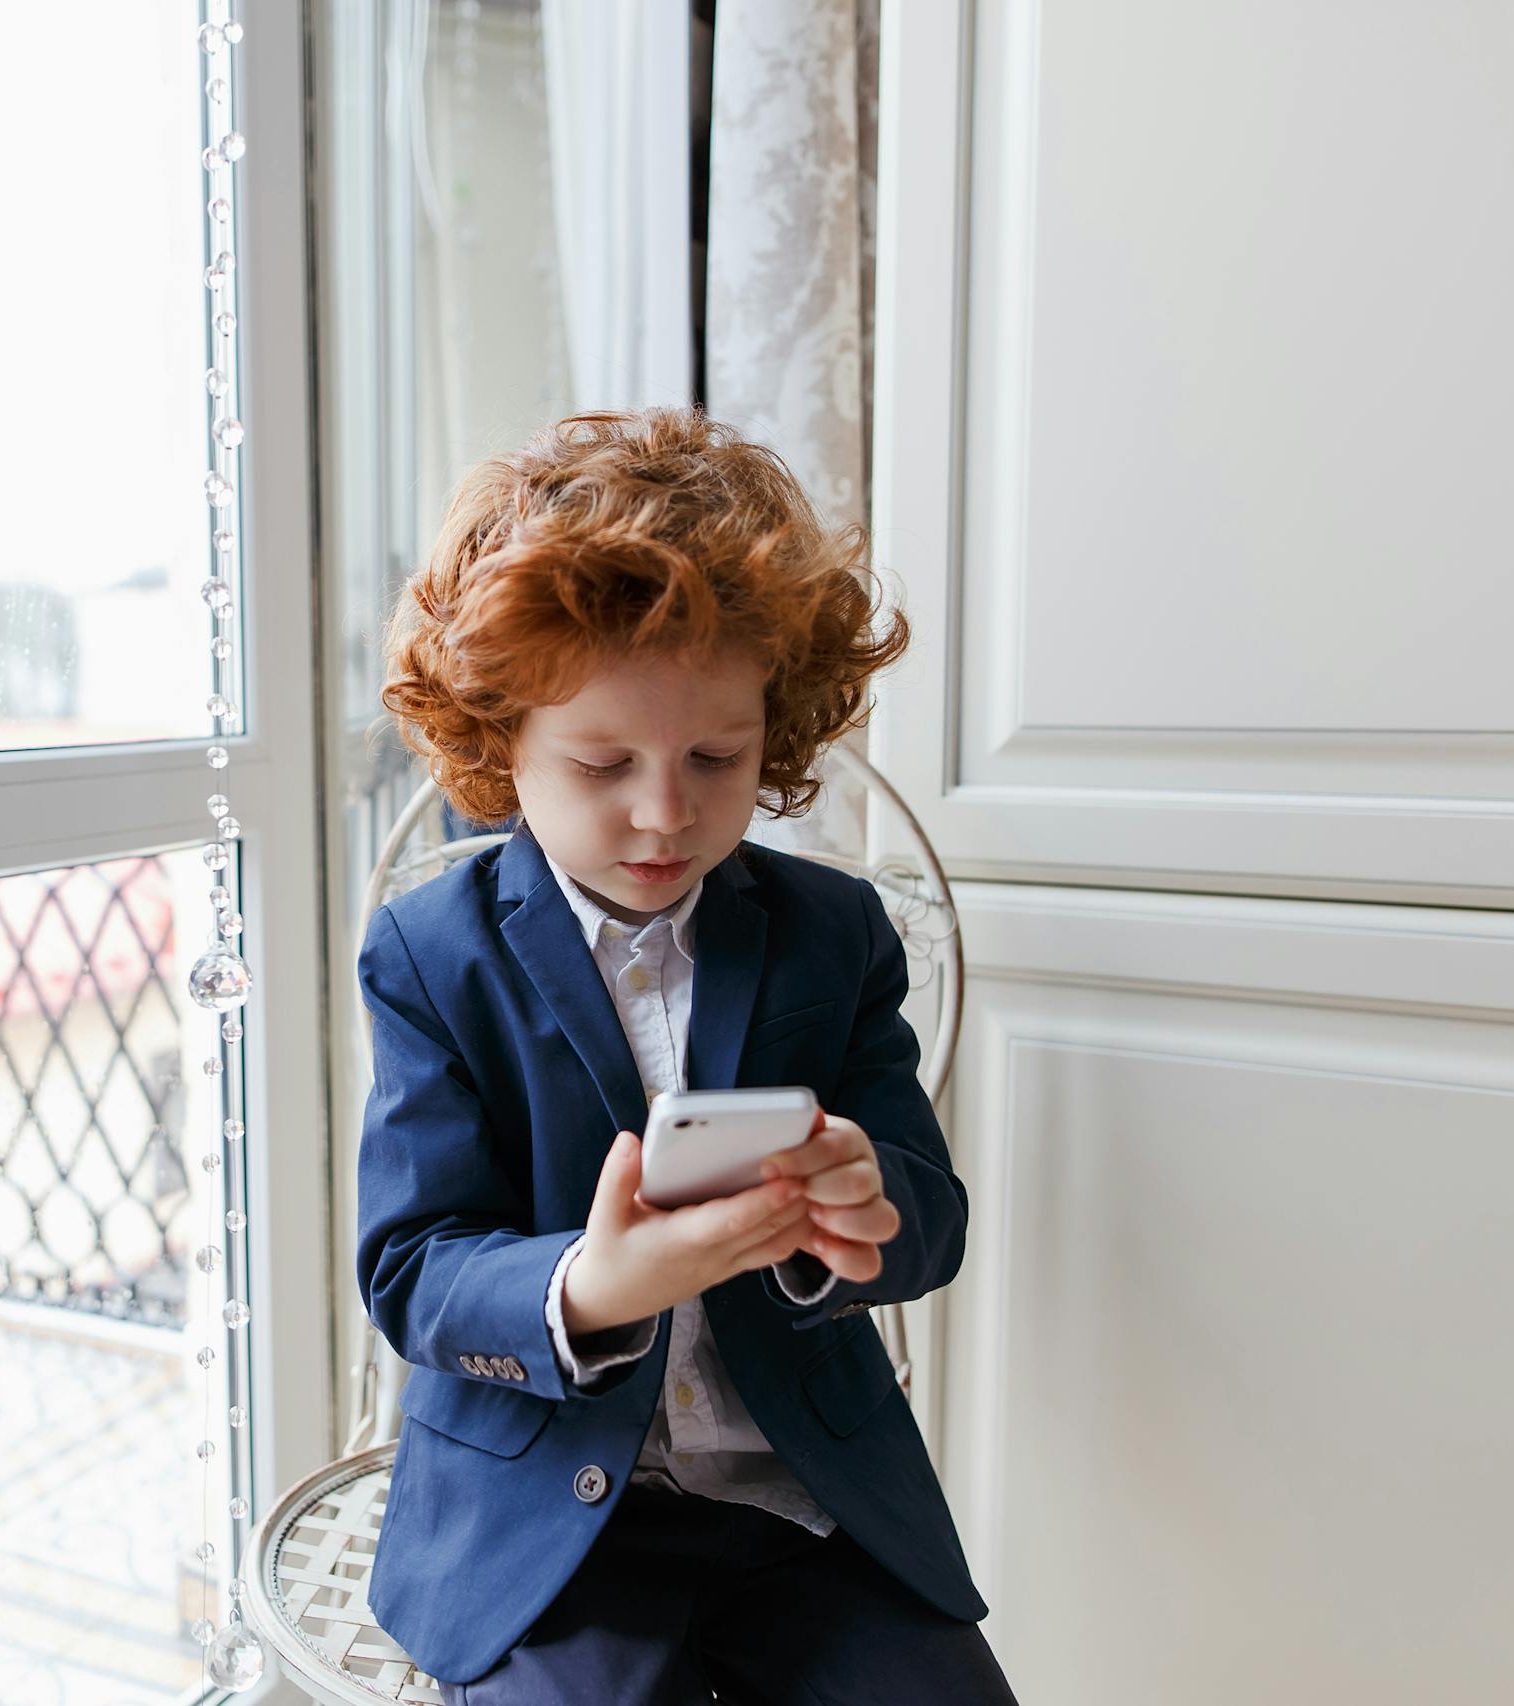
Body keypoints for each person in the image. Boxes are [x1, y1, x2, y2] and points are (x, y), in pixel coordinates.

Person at [354, 406, 1017, 1703]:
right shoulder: (432, 952)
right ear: (500, 744)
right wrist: (590, 1286)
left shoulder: (833, 933)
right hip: (543, 1519)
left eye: (718, 755)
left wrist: (865, 1204)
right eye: (604, 762)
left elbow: (932, 1220)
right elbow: (411, 1269)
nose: (666, 810)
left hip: (804, 1509)